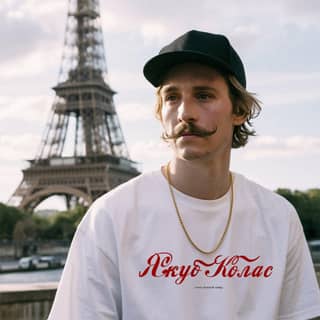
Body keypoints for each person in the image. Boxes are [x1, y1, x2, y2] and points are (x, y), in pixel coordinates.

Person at [48, 30, 320, 320]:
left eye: (203, 96)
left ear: (239, 110)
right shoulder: (111, 216)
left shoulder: (279, 217)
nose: (185, 113)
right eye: (172, 97)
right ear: (160, 111)